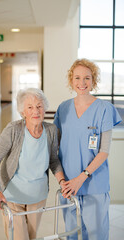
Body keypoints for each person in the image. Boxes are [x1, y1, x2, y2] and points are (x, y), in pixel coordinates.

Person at [54, 58, 122, 240]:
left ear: (94, 80)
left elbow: (104, 151)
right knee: (71, 235)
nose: (82, 83)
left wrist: (81, 177)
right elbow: (57, 150)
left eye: (87, 78)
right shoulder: (63, 109)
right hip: (68, 187)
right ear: (71, 81)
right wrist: (64, 182)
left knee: (96, 235)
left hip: (94, 185)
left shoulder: (104, 109)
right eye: (77, 78)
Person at [0, 88, 65, 240]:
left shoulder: (51, 130)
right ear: (23, 112)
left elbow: (53, 160)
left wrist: (62, 181)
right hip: (12, 197)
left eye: (39, 106)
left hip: (38, 196)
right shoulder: (13, 130)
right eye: (30, 107)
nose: (35, 111)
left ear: (44, 108)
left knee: (31, 237)